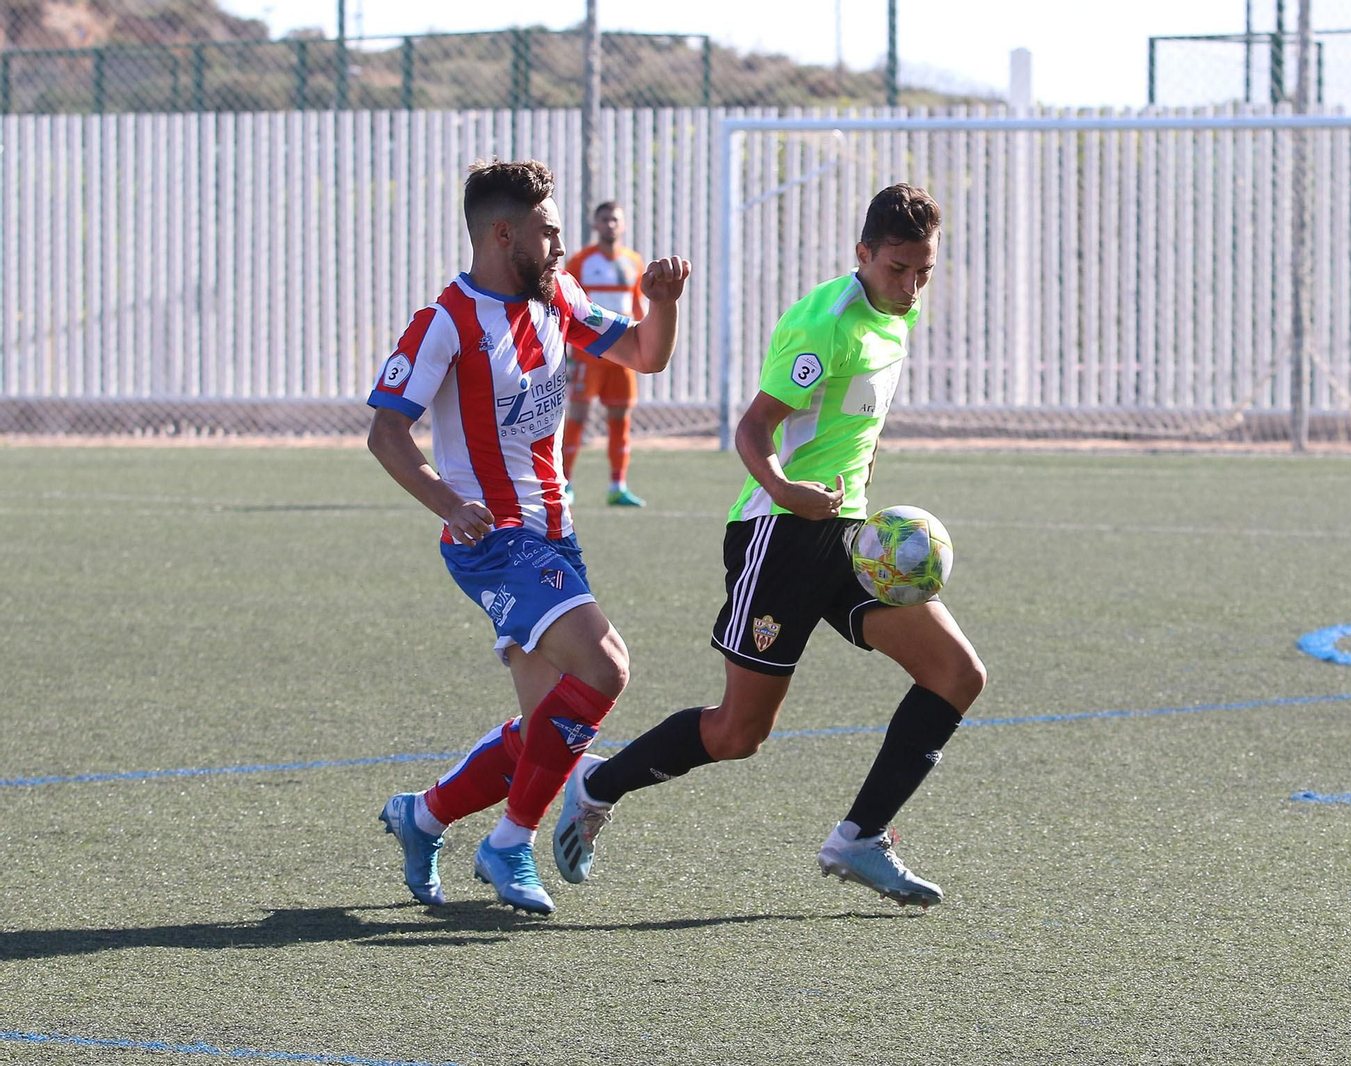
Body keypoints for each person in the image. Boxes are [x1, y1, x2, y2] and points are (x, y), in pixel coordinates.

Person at [550, 183, 986, 908]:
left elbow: (857, 432)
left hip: (849, 539)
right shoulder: (826, 325)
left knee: (956, 674)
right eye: (897, 270)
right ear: (864, 255)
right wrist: (786, 493)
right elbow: (754, 431)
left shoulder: (897, 317)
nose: (910, 287)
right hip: (777, 536)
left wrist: (858, 507)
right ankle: (596, 784)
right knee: (737, 733)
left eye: (923, 272)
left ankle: (860, 837)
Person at [366, 159, 690, 915]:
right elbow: (386, 433)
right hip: (492, 540)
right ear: (502, 234)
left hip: (555, 530)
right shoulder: (445, 320)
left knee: (549, 728)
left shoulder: (560, 294)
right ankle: (509, 844)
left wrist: (664, 304)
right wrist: (448, 501)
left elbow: (645, 352)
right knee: (607, 668)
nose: (559, 245)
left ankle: (423, 816)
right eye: (548, 232)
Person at [562, 201, 649, 507]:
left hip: (623, 353)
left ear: (622, 225)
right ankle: (565, 484)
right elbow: (567, 306)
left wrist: (643, 343)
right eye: (604, 219)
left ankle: (618, 485)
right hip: (588, 353)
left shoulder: (633, 262)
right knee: (577, 415)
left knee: (620, 416)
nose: (610, 225)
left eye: (615, 219)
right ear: (595, 225)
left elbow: (638, 306)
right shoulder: (580, 262)